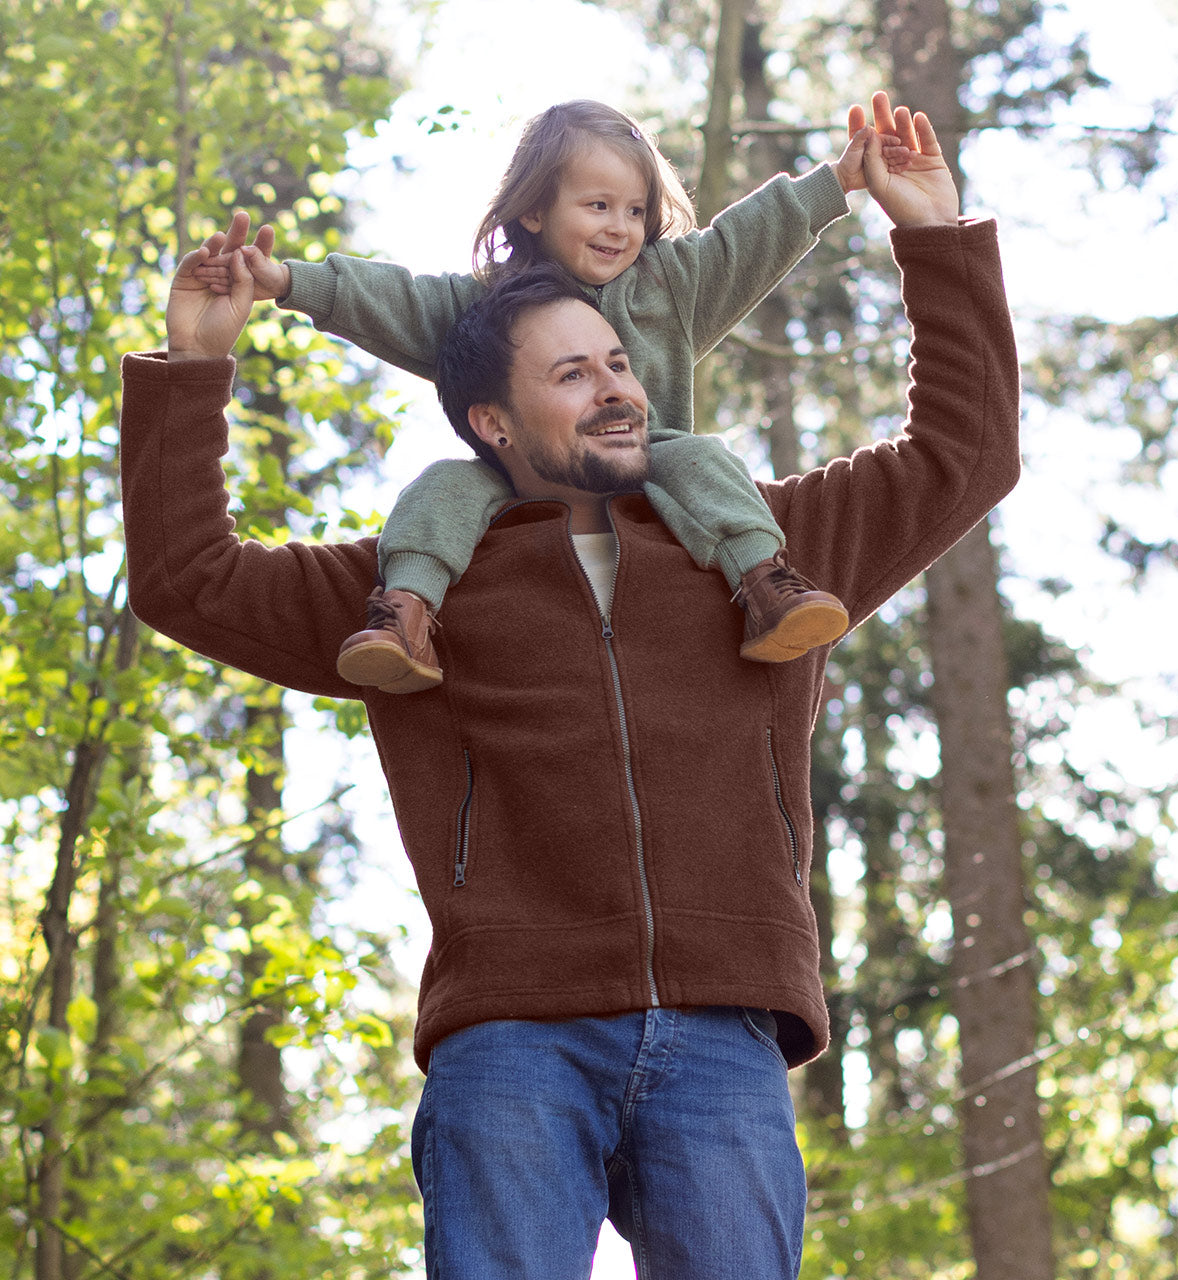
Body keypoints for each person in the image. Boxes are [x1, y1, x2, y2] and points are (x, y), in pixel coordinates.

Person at [120, 98, 1021, 1279]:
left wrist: (932, 235)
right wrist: (196, 365)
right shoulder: (418, 592)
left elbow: (967, 452)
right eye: (569, 372)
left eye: (619, 363)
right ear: (490, 419)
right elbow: (187, 580)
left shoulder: (771, 555)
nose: (615, 386)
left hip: (726, 1036)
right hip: (510, 1037)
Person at [194, 97, 918, 693]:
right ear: (534, 211)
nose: (620, 228)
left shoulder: (672, 287)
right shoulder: (487, 307)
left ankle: (765, 585)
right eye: (598, 204)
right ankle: (407, 615)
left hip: (648, 477)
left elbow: (746, 237)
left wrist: (838, 183)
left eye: (635, 211)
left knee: (697, 455)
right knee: (444, 484)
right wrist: (286, 282)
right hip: (526, 487)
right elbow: (394, 299)